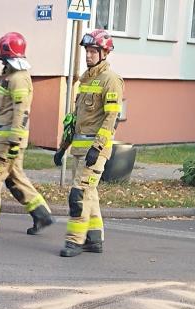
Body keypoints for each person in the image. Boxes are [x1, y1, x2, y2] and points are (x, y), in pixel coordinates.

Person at [0, 32, 54, 235]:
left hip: (8, 141)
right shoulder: (11, 74)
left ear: (7, 51)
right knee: (15, 179)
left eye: (2, 50)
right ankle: (42, 215)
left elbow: (21, 111)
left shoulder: (18, 78)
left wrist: (14, 141)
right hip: (7, 139)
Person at [52, 29, 124, 257]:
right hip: (79, 150)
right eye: (87, 51)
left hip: (95, 151)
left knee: (79, 195)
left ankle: (75, 241)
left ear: (104, 53)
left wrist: (97, 147)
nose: (89, 55)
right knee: (89, 194)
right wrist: (62, 148)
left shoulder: (111, 80)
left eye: (93, 51)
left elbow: (112, 118)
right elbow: (75, 118)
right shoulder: (86, 79)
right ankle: (94, 239)